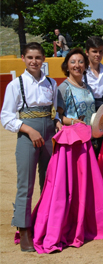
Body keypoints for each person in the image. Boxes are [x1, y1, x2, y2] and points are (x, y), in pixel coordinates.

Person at [1, 42, 61, 252]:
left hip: (49, 134)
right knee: (25, 183)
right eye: (30, 57)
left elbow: (56, 112)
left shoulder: (51, 83)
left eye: (38, 57)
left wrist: (58, 122)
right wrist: (28, 129)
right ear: (23, 59)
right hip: (28, 134)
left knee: (49, 181)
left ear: (43, 59)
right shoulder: (15, 85)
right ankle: (24, 229)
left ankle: (46, 225)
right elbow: (6, 117)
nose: (34, 61)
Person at [57, 48, 96, 126]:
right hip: (74, 134)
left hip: (89, 134)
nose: (77, 65)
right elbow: (57, 115)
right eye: (72, 62)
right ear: (67, 67)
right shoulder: (64, 88)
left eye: (81, 62)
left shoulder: (88, 88)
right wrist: (72, 122)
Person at [83, 36, 103, 109]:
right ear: (87, 52)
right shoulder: (81, 73)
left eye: (100, 51)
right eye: (94, 51)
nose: (98, 55)